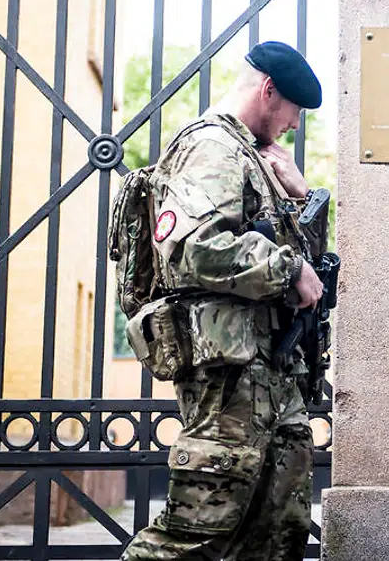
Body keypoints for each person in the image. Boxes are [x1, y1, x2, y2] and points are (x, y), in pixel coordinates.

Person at [122, 41, 325, 561]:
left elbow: (309, 276)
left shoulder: (252, 158)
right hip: (231, 377)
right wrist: (288, 267)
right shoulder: (213, 147)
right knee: (198, 532)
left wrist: (300, 199)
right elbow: (194, 249)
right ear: (268, 91)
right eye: (295, 111)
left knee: (276, 532)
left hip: (270, 372)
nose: (295, 126)